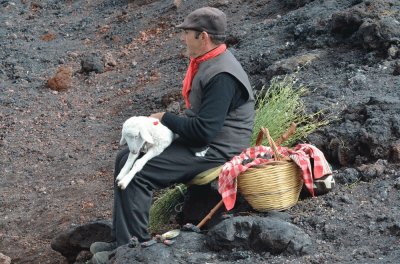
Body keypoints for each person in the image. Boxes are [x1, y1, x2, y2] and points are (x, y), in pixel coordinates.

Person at [90, 6, 255, 263]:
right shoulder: (209, 61)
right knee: (126, 158)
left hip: (217, 148)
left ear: (203, 36)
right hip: (206, 140)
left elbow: (203, 132)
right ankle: (121, 242)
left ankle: (134, 251)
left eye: (187, 33)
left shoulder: (222, 75)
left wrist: (165, 118)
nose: (183, 38)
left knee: (140, 173)